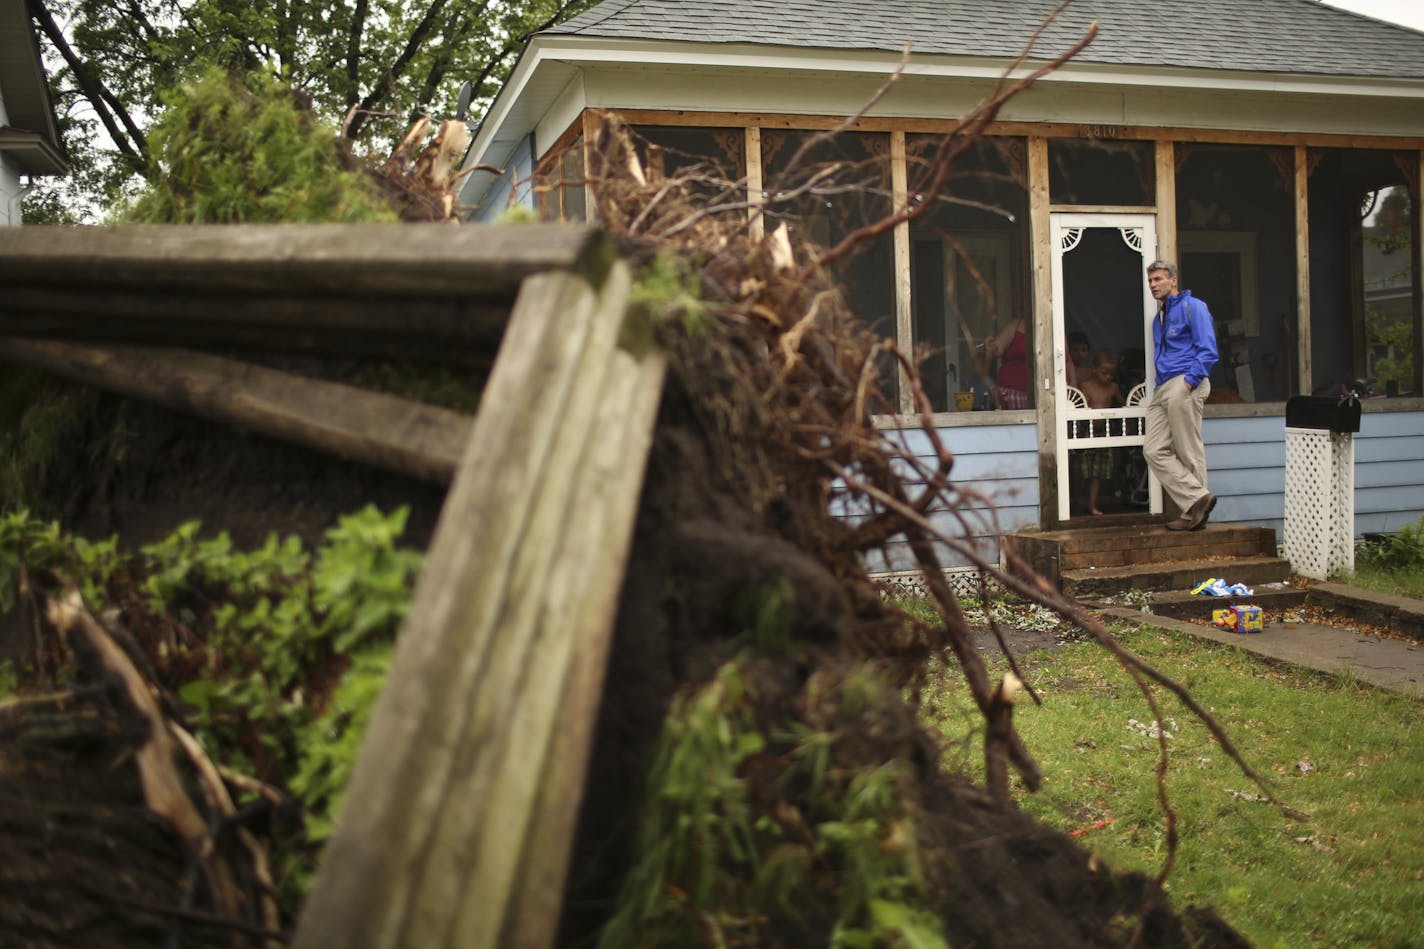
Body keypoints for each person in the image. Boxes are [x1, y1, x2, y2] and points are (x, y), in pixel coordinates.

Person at [1145, 259, 1219, 531]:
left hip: (1185, 381)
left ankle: (1193, 516)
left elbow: (1208, 350)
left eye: (1159, 279)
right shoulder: (1159, 319)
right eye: (1151, 280)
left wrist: (1189, 382)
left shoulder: (1193, 307)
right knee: (1153, 450)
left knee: (1188, 447)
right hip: (1163, 387)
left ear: (1173, 280)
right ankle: (1197, 498)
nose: (1153, 285)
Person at [1074, 350, 1123, 515]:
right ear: (1094, 369)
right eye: (1104, 373)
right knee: (1083, 471)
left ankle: (1091, 504)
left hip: (1104, 432)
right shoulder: (1085, 386)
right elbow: (1079, 406)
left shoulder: (1113, 388)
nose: (1108, 377)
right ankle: (1075, 501)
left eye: (1111, 374)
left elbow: (1124, 404)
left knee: (1098, 473)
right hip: (1087, 432)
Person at [985, 316, 1029, 409]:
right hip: (1011, 394)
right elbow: (997, 348)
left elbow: (1066, 360)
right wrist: (991, 346)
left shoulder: (1053, 327)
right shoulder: (1016, 326)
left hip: (1042, 394)